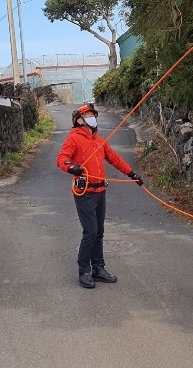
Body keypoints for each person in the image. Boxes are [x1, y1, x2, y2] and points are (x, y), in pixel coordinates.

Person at [56, 103, 144, 289]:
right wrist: (72, 167)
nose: (92, 118)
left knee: (99, 232)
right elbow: (62, 159)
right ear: (79, 120)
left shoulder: (99, 141)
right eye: (88, 115)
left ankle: (98, 268)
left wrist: (131, 174)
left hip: (100, 191)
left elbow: (114, 158)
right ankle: (84, 272)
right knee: (91, 232)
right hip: (84, 192)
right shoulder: (74, 138)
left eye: (93, 115)